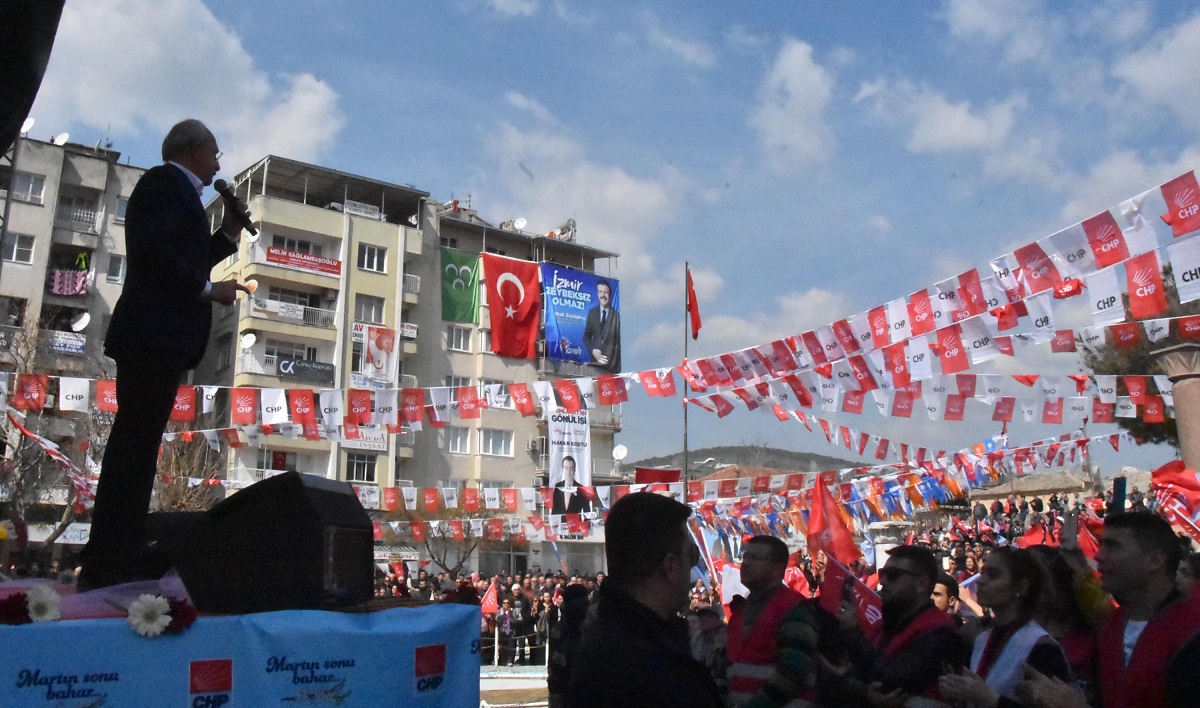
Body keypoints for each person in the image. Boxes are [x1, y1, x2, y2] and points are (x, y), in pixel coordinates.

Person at [78, 119, 249, 591]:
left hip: (164, 339)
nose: (219, 163)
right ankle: (111, 556)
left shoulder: (183, 196)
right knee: (132, 446)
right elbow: (155, 255)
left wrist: (230, 232)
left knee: (139, 446)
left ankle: (119, 550)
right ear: (194, 150)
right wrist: (209, 290)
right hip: (151, 335)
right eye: (214, 152)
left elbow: (186, 259)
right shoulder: (162, 184)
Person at [1020, 512, 1200, 708]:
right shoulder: (1111, 627)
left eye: (1113, 546)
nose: (1098, 555)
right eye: (1102, 543)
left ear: (1155, 561)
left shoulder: (1191, 633)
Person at [568, 492, 722, 707]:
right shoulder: (657, 670)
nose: (691, 568)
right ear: (670, 566)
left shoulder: (599, 636)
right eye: (691, 555)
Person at [830, 545, 968, 705]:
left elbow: (893, 682)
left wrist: (853, 632)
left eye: (893, 575)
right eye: (882, 573)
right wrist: (865, 693)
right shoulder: (883, 625)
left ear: (922, 584)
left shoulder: (941, 632)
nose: (883, 581)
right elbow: (843, 679)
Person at [939, 547, 1070, 706]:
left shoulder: (1041, 646)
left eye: (993, 575)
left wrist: (991, 699)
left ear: (1021, 588)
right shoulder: (981, 639)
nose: (980, 581)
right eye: (983, 572)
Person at [725, 535, 821, 707]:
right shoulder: (739, 613)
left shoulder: (794, 609)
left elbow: (794, 669)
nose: (745, 563)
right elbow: (725, 667)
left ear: (777, 569)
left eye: (755, 558)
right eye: (745, 557)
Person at [582, 279, 620, 371]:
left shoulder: (616, 317)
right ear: (597, 294)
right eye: (600, 292)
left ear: (610, 295)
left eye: (606, 292)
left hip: (611, 366)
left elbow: (618, 343)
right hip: (595, 364)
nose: (603, 295)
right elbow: (586, 336)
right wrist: (593, 351)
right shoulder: (592, 313)